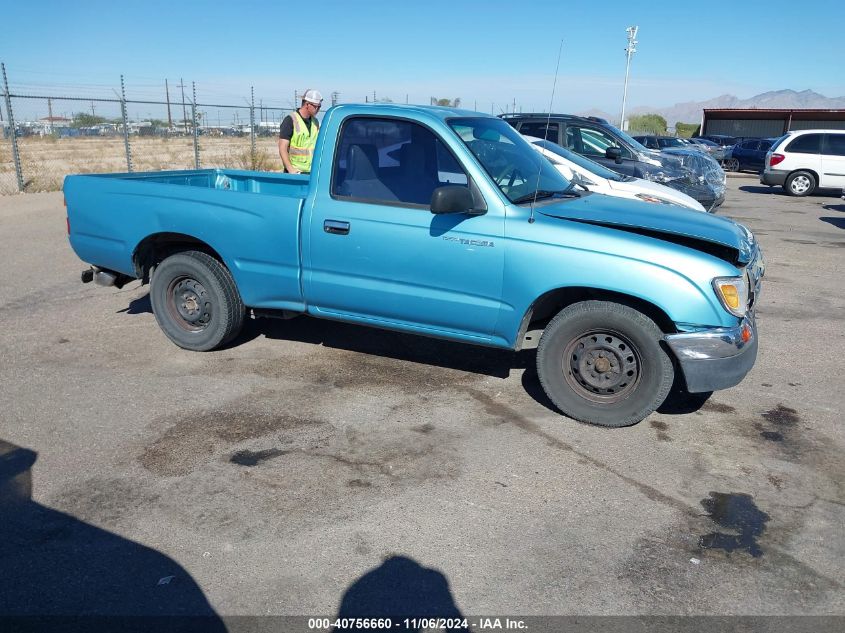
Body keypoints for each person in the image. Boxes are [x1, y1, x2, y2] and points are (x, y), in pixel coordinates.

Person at [278, 89, 322, 174]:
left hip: (311, 172)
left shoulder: (315, 122)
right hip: (296, 172)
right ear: (307, 104)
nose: (318, 109)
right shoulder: (291, 120)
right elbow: (282, 148)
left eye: (319, 107)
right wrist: (290, 169)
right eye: (316, 107)